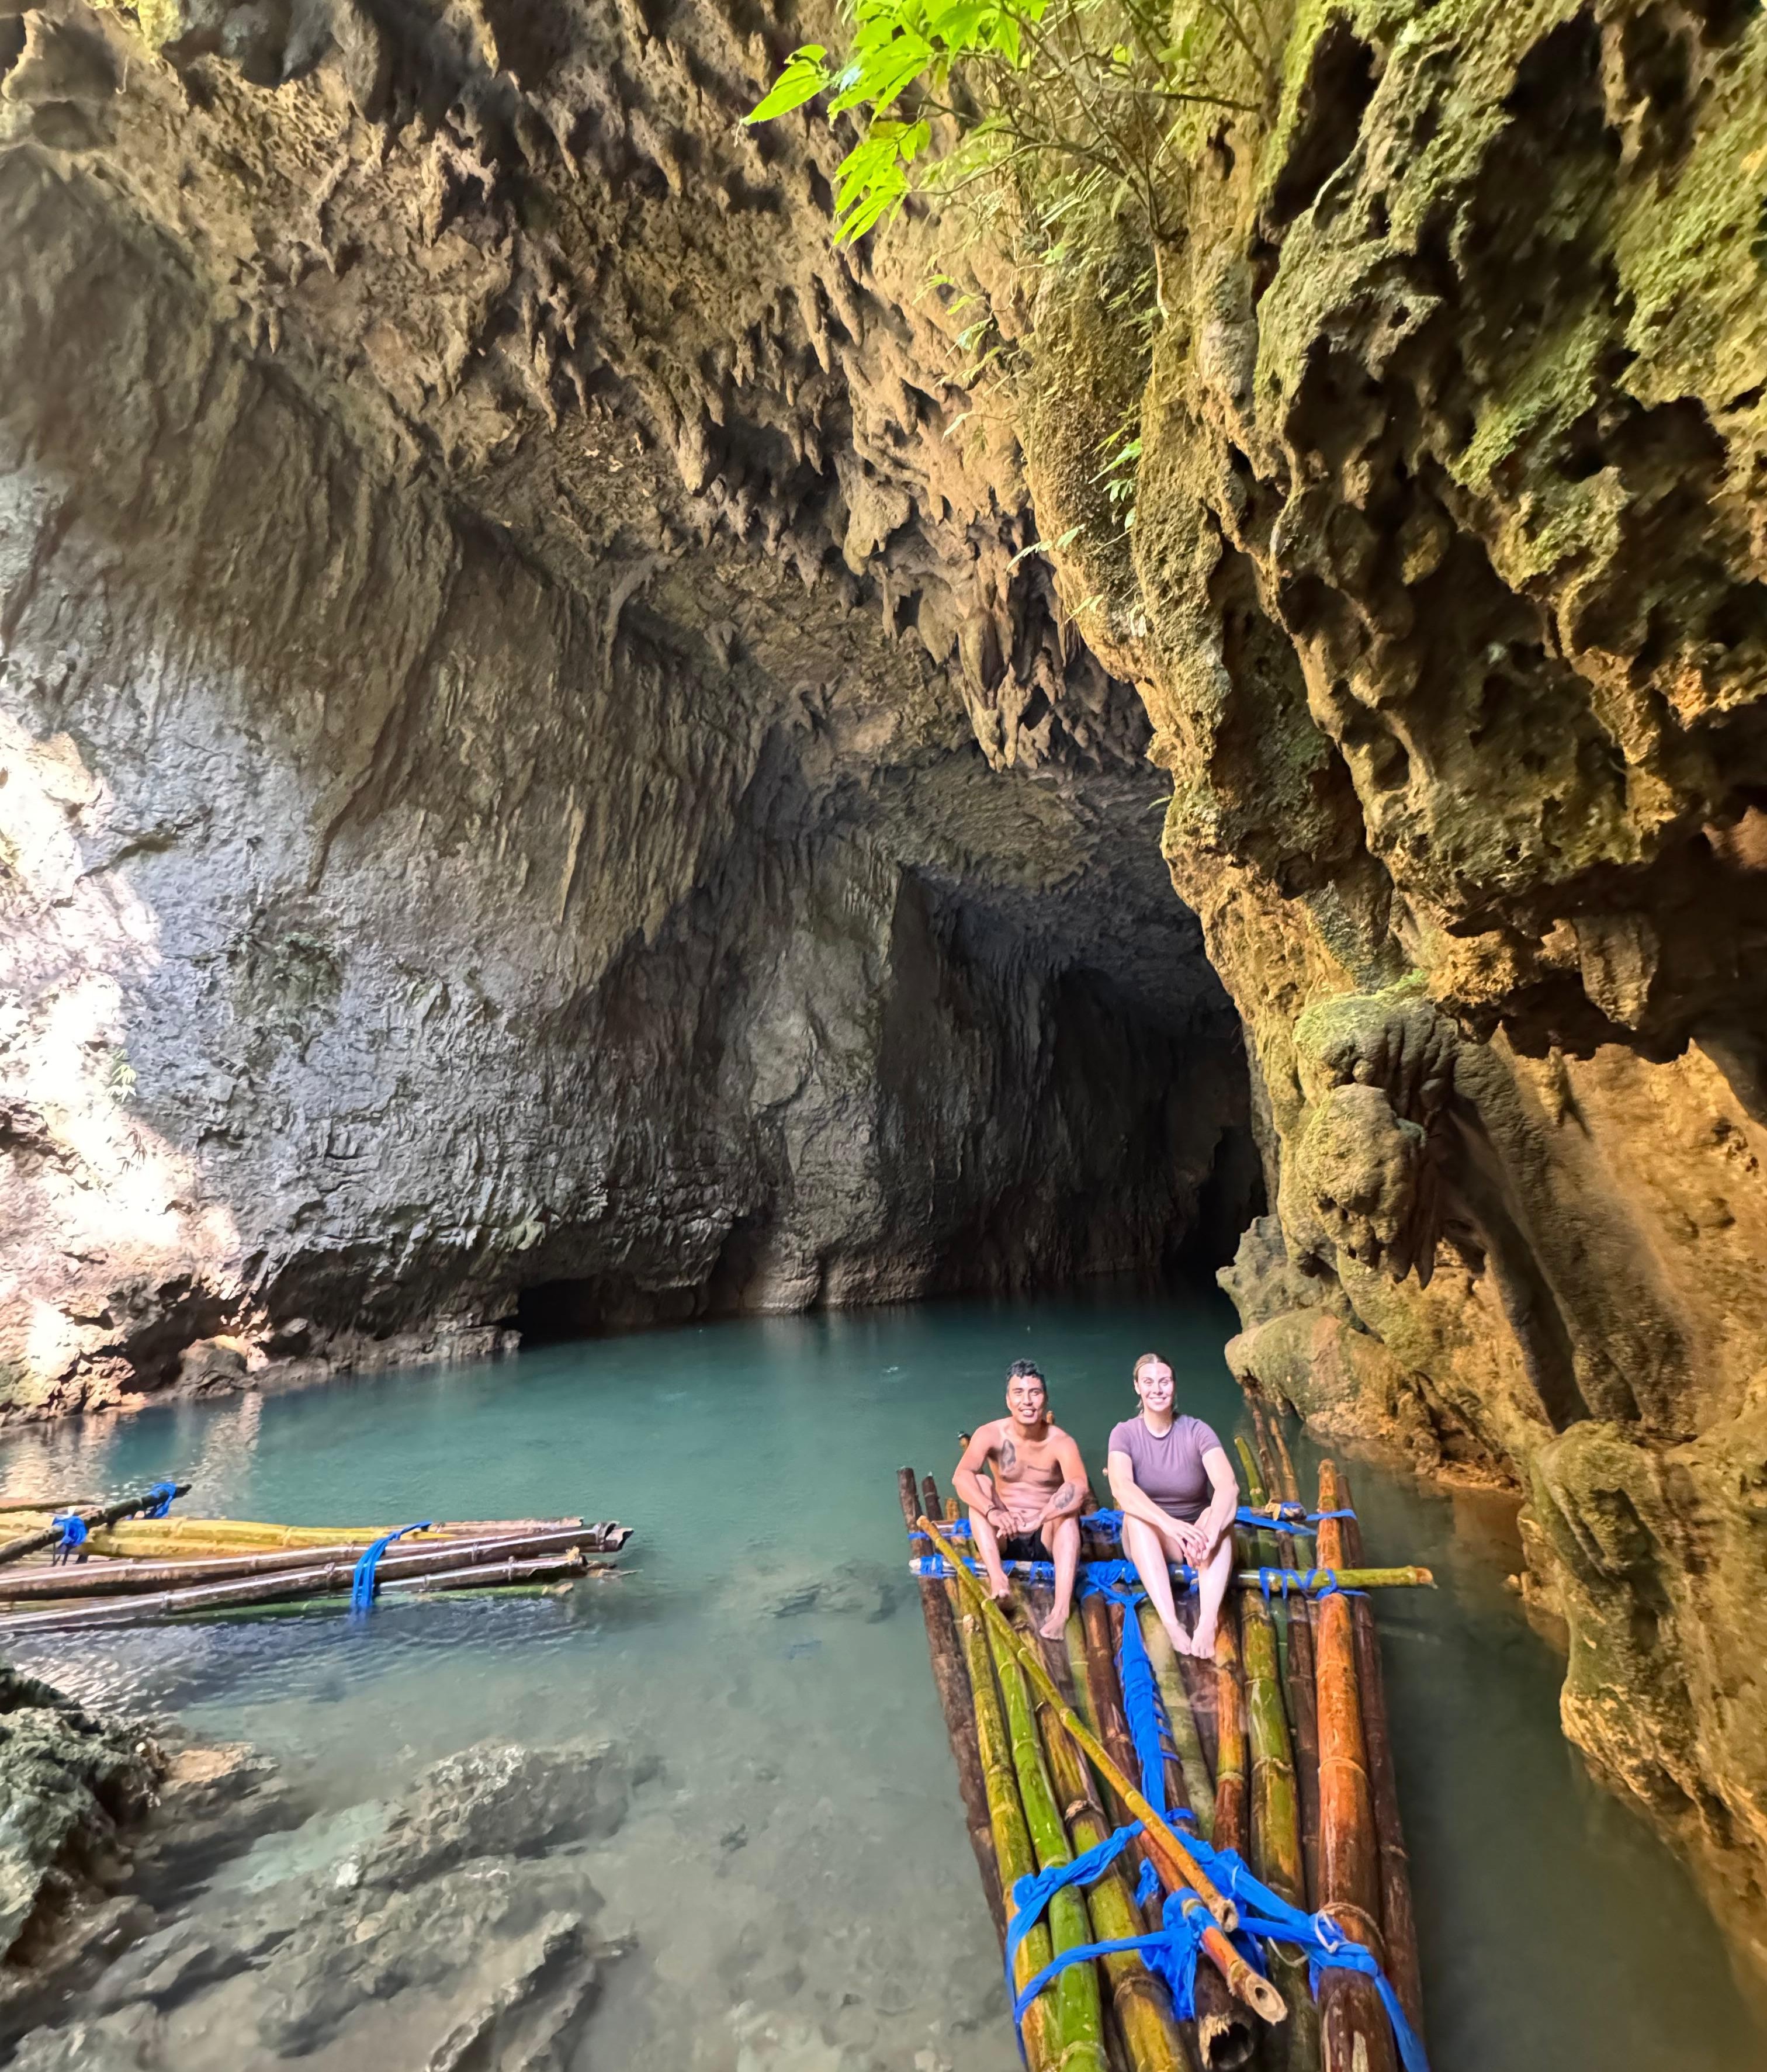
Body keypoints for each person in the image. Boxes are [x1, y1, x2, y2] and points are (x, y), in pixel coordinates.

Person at [1106, 1351, 1238, 1659]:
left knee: (1215, 1513)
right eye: (1149, 1382)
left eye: (1164, 1381)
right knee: (1136, 1518)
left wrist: (1212, 1533)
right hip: (1155, 1535)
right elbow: (1122, 1488)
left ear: (1174, 1386)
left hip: (1197, 1540)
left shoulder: (1196, 1430)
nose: (1157, 1389)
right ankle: (1171, 1622)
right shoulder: (1124, 1433)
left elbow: (1228, 1487)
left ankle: (1208, 1621)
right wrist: (1170, 1525)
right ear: (1137, 1387)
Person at [952, 1359, 1089, 1641]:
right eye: (1019, 1393)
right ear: (1008, 1399)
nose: (1027, 1401)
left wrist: (1042, 1516)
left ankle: (1062, 1608)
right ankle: (998, 1578)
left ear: (1045, 1399)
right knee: (978, 1482)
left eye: (1035, 1393)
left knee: (1068, 1512)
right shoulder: (990, 1434)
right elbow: (960, 1477)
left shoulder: (1061, 1442)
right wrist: (993, 1513)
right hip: (1005, 1530)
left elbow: (1079, 1486)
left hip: (1045, 1533)